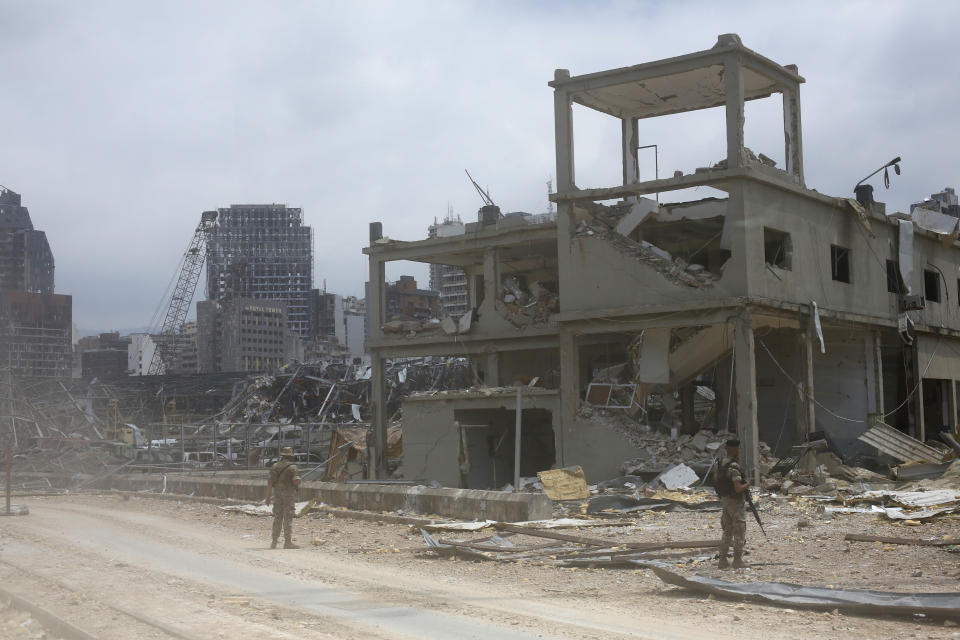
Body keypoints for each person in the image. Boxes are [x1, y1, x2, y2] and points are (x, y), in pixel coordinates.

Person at [714, 438, 750, 569]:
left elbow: (716, 483)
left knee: (727, 531)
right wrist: (747, 484)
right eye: (738, 449)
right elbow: (738, 488)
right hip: (735, 502)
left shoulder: (719, 464)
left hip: (725, 500)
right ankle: (737, 560)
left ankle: (722, 560)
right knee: (739, 531)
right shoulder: (734, 467)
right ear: (735, 449)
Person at [265, 447, 301, 549]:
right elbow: (295, 480)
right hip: (288, 495)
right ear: (290, 456)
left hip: (277, 494)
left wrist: (267, 497)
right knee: (288, 518)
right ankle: (287, 542)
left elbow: (270, 482)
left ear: (282, 455)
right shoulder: (293, 467)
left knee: (278, 517)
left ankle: (274, 541)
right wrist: (298, 482)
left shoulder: (275, 466)